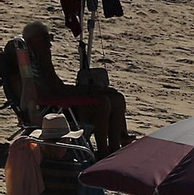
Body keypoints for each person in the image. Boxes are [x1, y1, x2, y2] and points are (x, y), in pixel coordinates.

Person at [21, 22, 130, 154]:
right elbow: (55, 90)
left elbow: (56, 87)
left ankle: (117, 145)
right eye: (46, 39)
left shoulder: (37, 56)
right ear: (33, 41)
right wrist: (87, 91)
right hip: (56, 108)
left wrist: (86, 90)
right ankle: (104, 150)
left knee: (116, 98)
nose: (49, 44)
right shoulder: (38, 58)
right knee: (102, 101)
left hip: (57, 99)